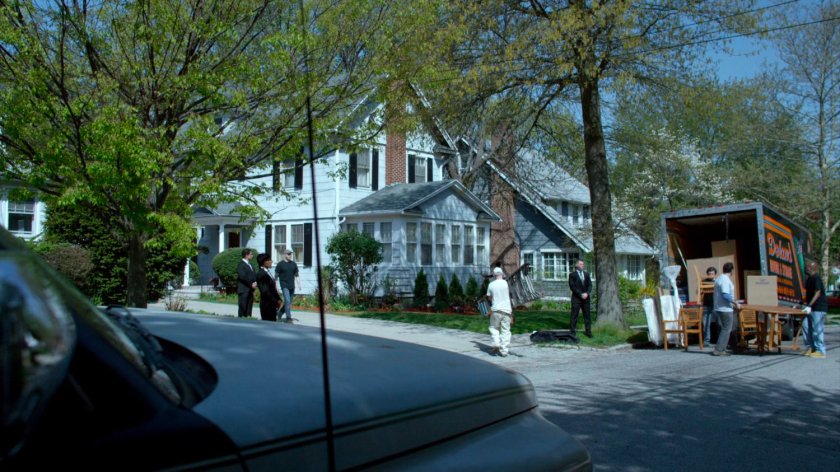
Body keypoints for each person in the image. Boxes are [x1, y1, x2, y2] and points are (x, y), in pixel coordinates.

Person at [712, 262, 739, 356]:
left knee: (725, 328)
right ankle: (719, 349)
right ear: (731, 270)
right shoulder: (725, 279)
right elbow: (725, 294)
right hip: (725, 308)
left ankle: (721, 348)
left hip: (719, 307)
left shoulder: (719, 278)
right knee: (726, 329)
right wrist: (735, 303)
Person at [802, 261, 827, 359]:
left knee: (817, 329)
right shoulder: (809, 279)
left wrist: (809, 305)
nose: (805, 268)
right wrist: (802, 303)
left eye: (807, 266)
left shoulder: (817, 278)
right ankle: (811, 348)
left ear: (813, 268)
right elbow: (808, 295)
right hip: (810, 307)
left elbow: (818, 292)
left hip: (818, 307)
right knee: (806, 326)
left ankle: (820, 351)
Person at [486, 267, 513, 357]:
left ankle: (496, 343)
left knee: (494, 327)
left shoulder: (491, 285)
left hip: (496, 310)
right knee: (505, 330)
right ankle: (504, 351)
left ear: (494, 275)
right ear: (502, 274)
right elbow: (510, 295)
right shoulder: (506, 283)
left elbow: (489, 297)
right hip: (507, 310)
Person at [568, 259, 593, 338]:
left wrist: (587, 293)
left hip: (586, 298)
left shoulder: (586, 274)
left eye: (583, 264)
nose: (582, 265)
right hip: (576, 298)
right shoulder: (572, 275)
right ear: (577, 265)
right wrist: (580, 294)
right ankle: (572, 332)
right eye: (581, 264)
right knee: (574, 315)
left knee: (587, 316)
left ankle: (588, 331)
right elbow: (572, 286)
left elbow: (590, 285)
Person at [274, 248, 300, 323]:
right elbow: (276, 276)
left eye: (290, 254)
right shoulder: (280, 264)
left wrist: (299, 284)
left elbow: (297, 275)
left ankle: (279, 313)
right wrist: (276, 286)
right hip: (284, 285)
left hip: (292, 285)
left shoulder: (293, 264)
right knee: (287, 301)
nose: (290, 255)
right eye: (288, 254)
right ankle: (288, 318)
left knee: (288, 302)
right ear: (284, 255)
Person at [256, 253, 281, 322]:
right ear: (264, 262)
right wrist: (276, 301)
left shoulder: (267, 272)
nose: (271, 261)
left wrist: (279, 299)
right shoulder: (261, 274)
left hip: (272, 304)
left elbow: (273, 288)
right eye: (269, 260)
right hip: (267, 305)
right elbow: (265, 291)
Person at [236, 249, 257, 318]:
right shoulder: (241, 264)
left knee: (249, 307)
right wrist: (251, 283)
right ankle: (241, 321)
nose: (252, 255)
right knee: (243, 307)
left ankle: (248, 319)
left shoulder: (250, 264)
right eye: (251, 254)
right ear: (246, 255)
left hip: (250, 290)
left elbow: (253, 275)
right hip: (244, 289)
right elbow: (243, 276)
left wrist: (255, 282)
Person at [702, 266, 718, 345]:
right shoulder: (704, 281)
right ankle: (706, 341)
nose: (711, 275)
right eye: (709, 274)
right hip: (706, 304)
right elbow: (699, 291)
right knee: (706, 324)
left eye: (712, 274)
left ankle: (719, 340)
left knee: (719, 322)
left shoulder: (718, 281)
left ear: (715, 274)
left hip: (716, 304)